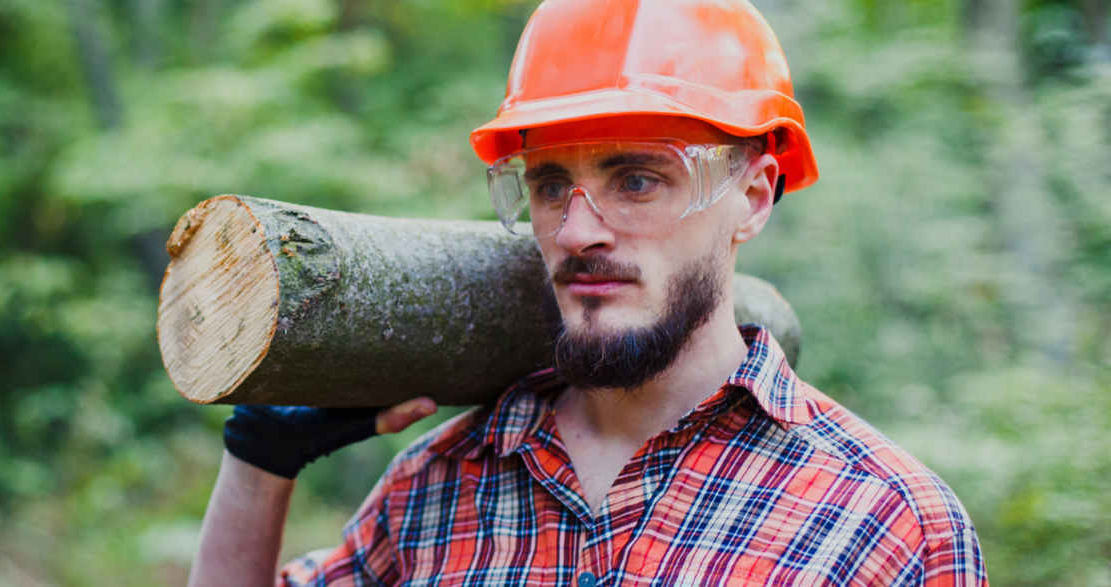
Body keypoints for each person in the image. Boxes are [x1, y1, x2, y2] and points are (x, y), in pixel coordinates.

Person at [187, 0, 987, 584]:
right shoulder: (434, 489)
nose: (576, 232)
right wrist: (260, 462)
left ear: (754, 197)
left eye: (637, 179)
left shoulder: (889, 526)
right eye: (549, 185)